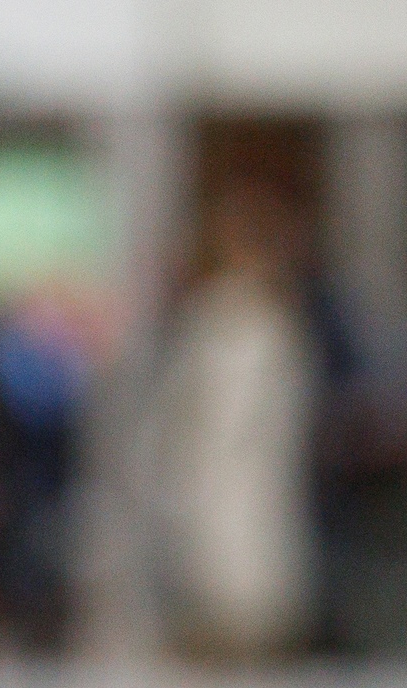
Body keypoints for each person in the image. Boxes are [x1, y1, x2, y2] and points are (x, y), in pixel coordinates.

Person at [151, 182, 320, 662]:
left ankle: (261, 640)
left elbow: (288, 396)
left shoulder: (276, 319)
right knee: (211, 552)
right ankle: (214, 637)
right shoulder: (208, 313)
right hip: (209, 459)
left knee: (259, 551)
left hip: (257, 461)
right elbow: (186, 390)